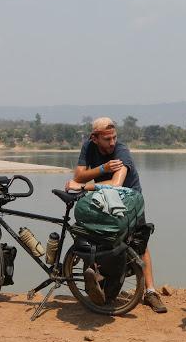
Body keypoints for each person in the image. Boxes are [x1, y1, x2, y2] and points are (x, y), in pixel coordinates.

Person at [65, 117, 168, 313]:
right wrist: (102, 168)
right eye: (107, 139)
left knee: (140, 243)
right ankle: (96, 277)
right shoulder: (88, 147)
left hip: (129, 200)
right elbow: (77, 175)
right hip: (103, 200)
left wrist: (84, 186)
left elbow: (116, 184)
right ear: (95, 138)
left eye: (114, 137)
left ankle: (151, 292)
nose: (112, 142)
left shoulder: (121, 152)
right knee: (94, 237)